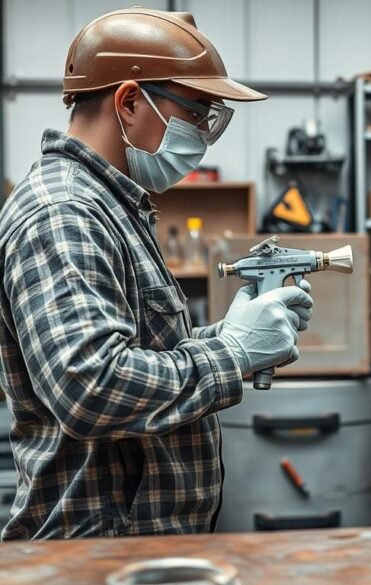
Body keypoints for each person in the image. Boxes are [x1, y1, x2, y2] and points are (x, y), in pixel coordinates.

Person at [0, 8, 312, 540]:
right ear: (127, 102)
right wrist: (232, 354)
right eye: (197, 115)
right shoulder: (64, 212)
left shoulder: (111, 206)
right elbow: (90, 385)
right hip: (98, 554)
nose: (203, 137)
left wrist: (229, 333)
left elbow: (135, 353)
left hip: (137, 547)